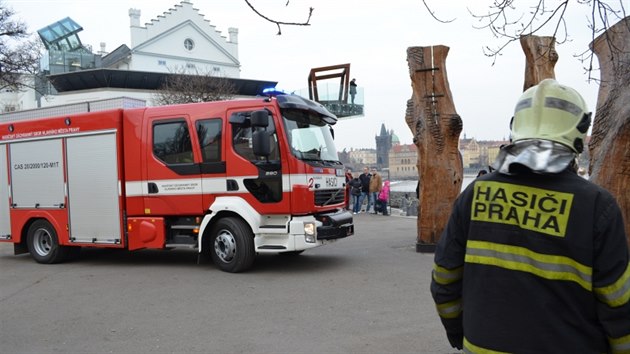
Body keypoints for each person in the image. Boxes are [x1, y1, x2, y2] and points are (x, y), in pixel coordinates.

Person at [430, 79, 630, 353]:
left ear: (516, 128)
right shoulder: (596, 206)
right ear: (578, 133)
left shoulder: (476, 193)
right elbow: (618, 303)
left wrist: (459, 333)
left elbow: (444, 279)